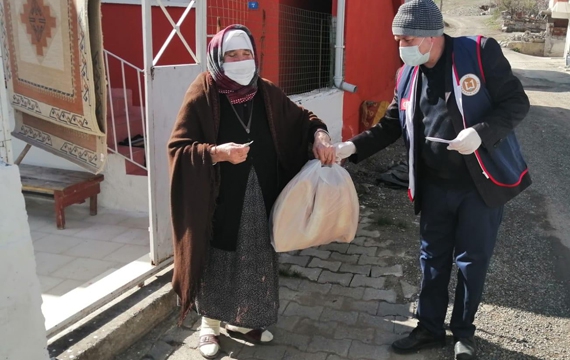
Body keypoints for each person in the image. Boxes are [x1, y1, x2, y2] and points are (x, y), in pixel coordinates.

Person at [334, 1, 531, 359]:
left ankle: (464, 334)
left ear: (431, 36)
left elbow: (516, 104)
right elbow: (391, 126)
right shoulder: (406, 75)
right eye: (397, 39)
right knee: (432, 260)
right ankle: (429, 329)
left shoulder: (478, 53)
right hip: (435, 186)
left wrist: (481, 133)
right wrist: (350, 147)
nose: (401, 46)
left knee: (472, 262)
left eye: (406, 38)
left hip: (478, 187)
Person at [167, 25, 335, 359]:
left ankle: (243, 321)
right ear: (218, 57)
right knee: (217, 258)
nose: (241, 61)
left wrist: (320, 137)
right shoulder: (203, 93)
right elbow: (178, 148)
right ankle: (210, 325)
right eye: (232, 55)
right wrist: (217, 153)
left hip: (261, 195)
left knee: (255, 256)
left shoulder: (266, 92)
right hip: (219, 199)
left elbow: (304, 119)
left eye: (246, 54)